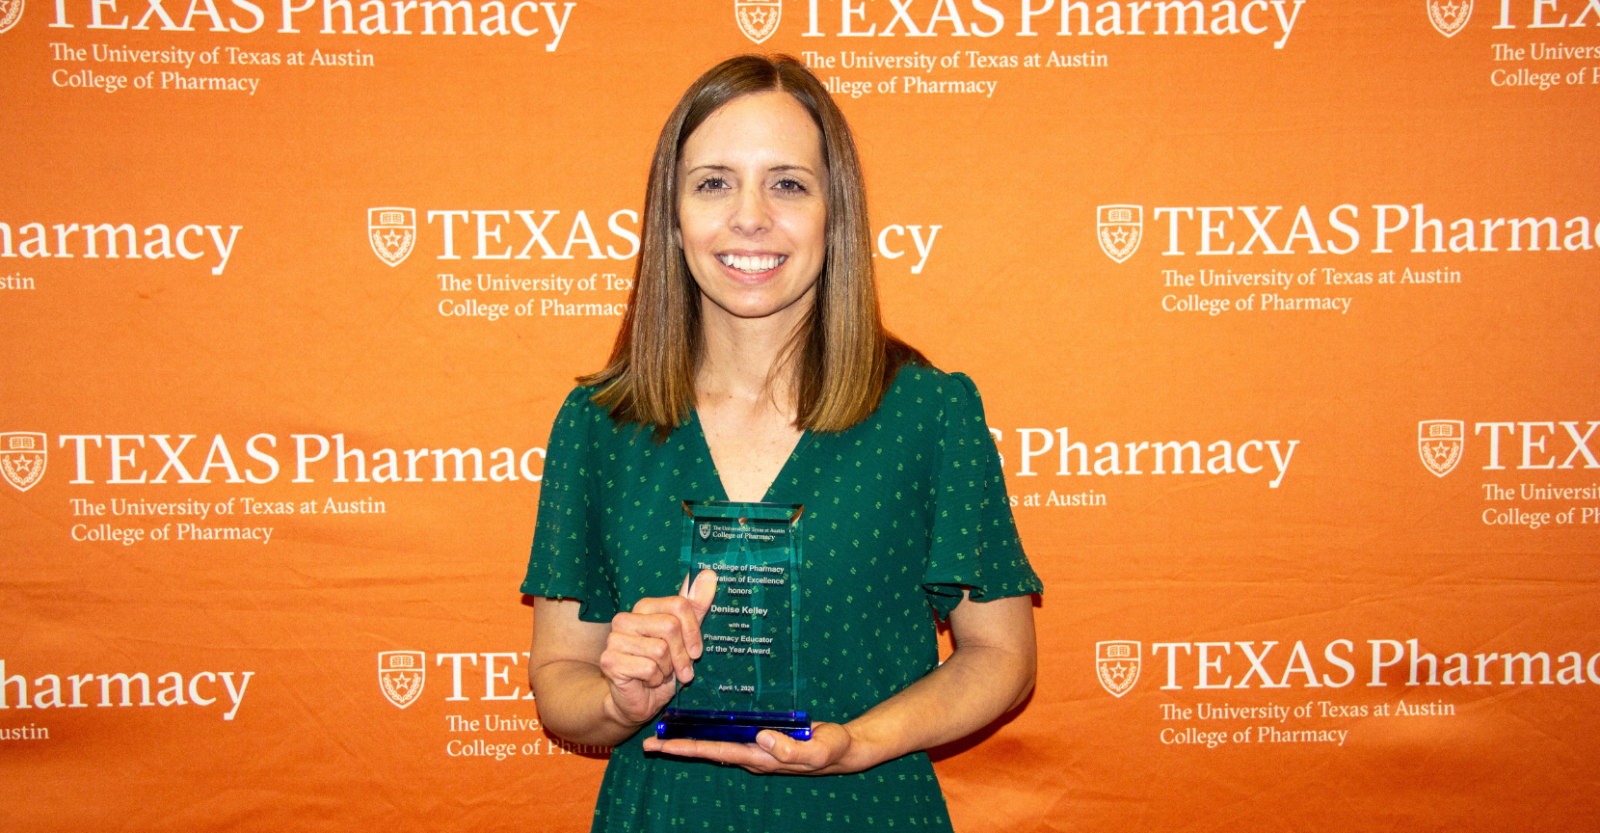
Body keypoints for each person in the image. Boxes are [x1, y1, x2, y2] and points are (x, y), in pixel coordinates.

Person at [522, 54, 1042, 832]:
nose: (750, 215)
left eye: (789, 183)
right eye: (713, 182)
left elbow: (1001, 655)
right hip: (665, 813)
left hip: (867, 808)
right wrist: (616, 697)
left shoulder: (930, 411)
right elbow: (559, 677)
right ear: (672, 216)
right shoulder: (599, 423)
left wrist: (859, 741)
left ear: (838, 213)